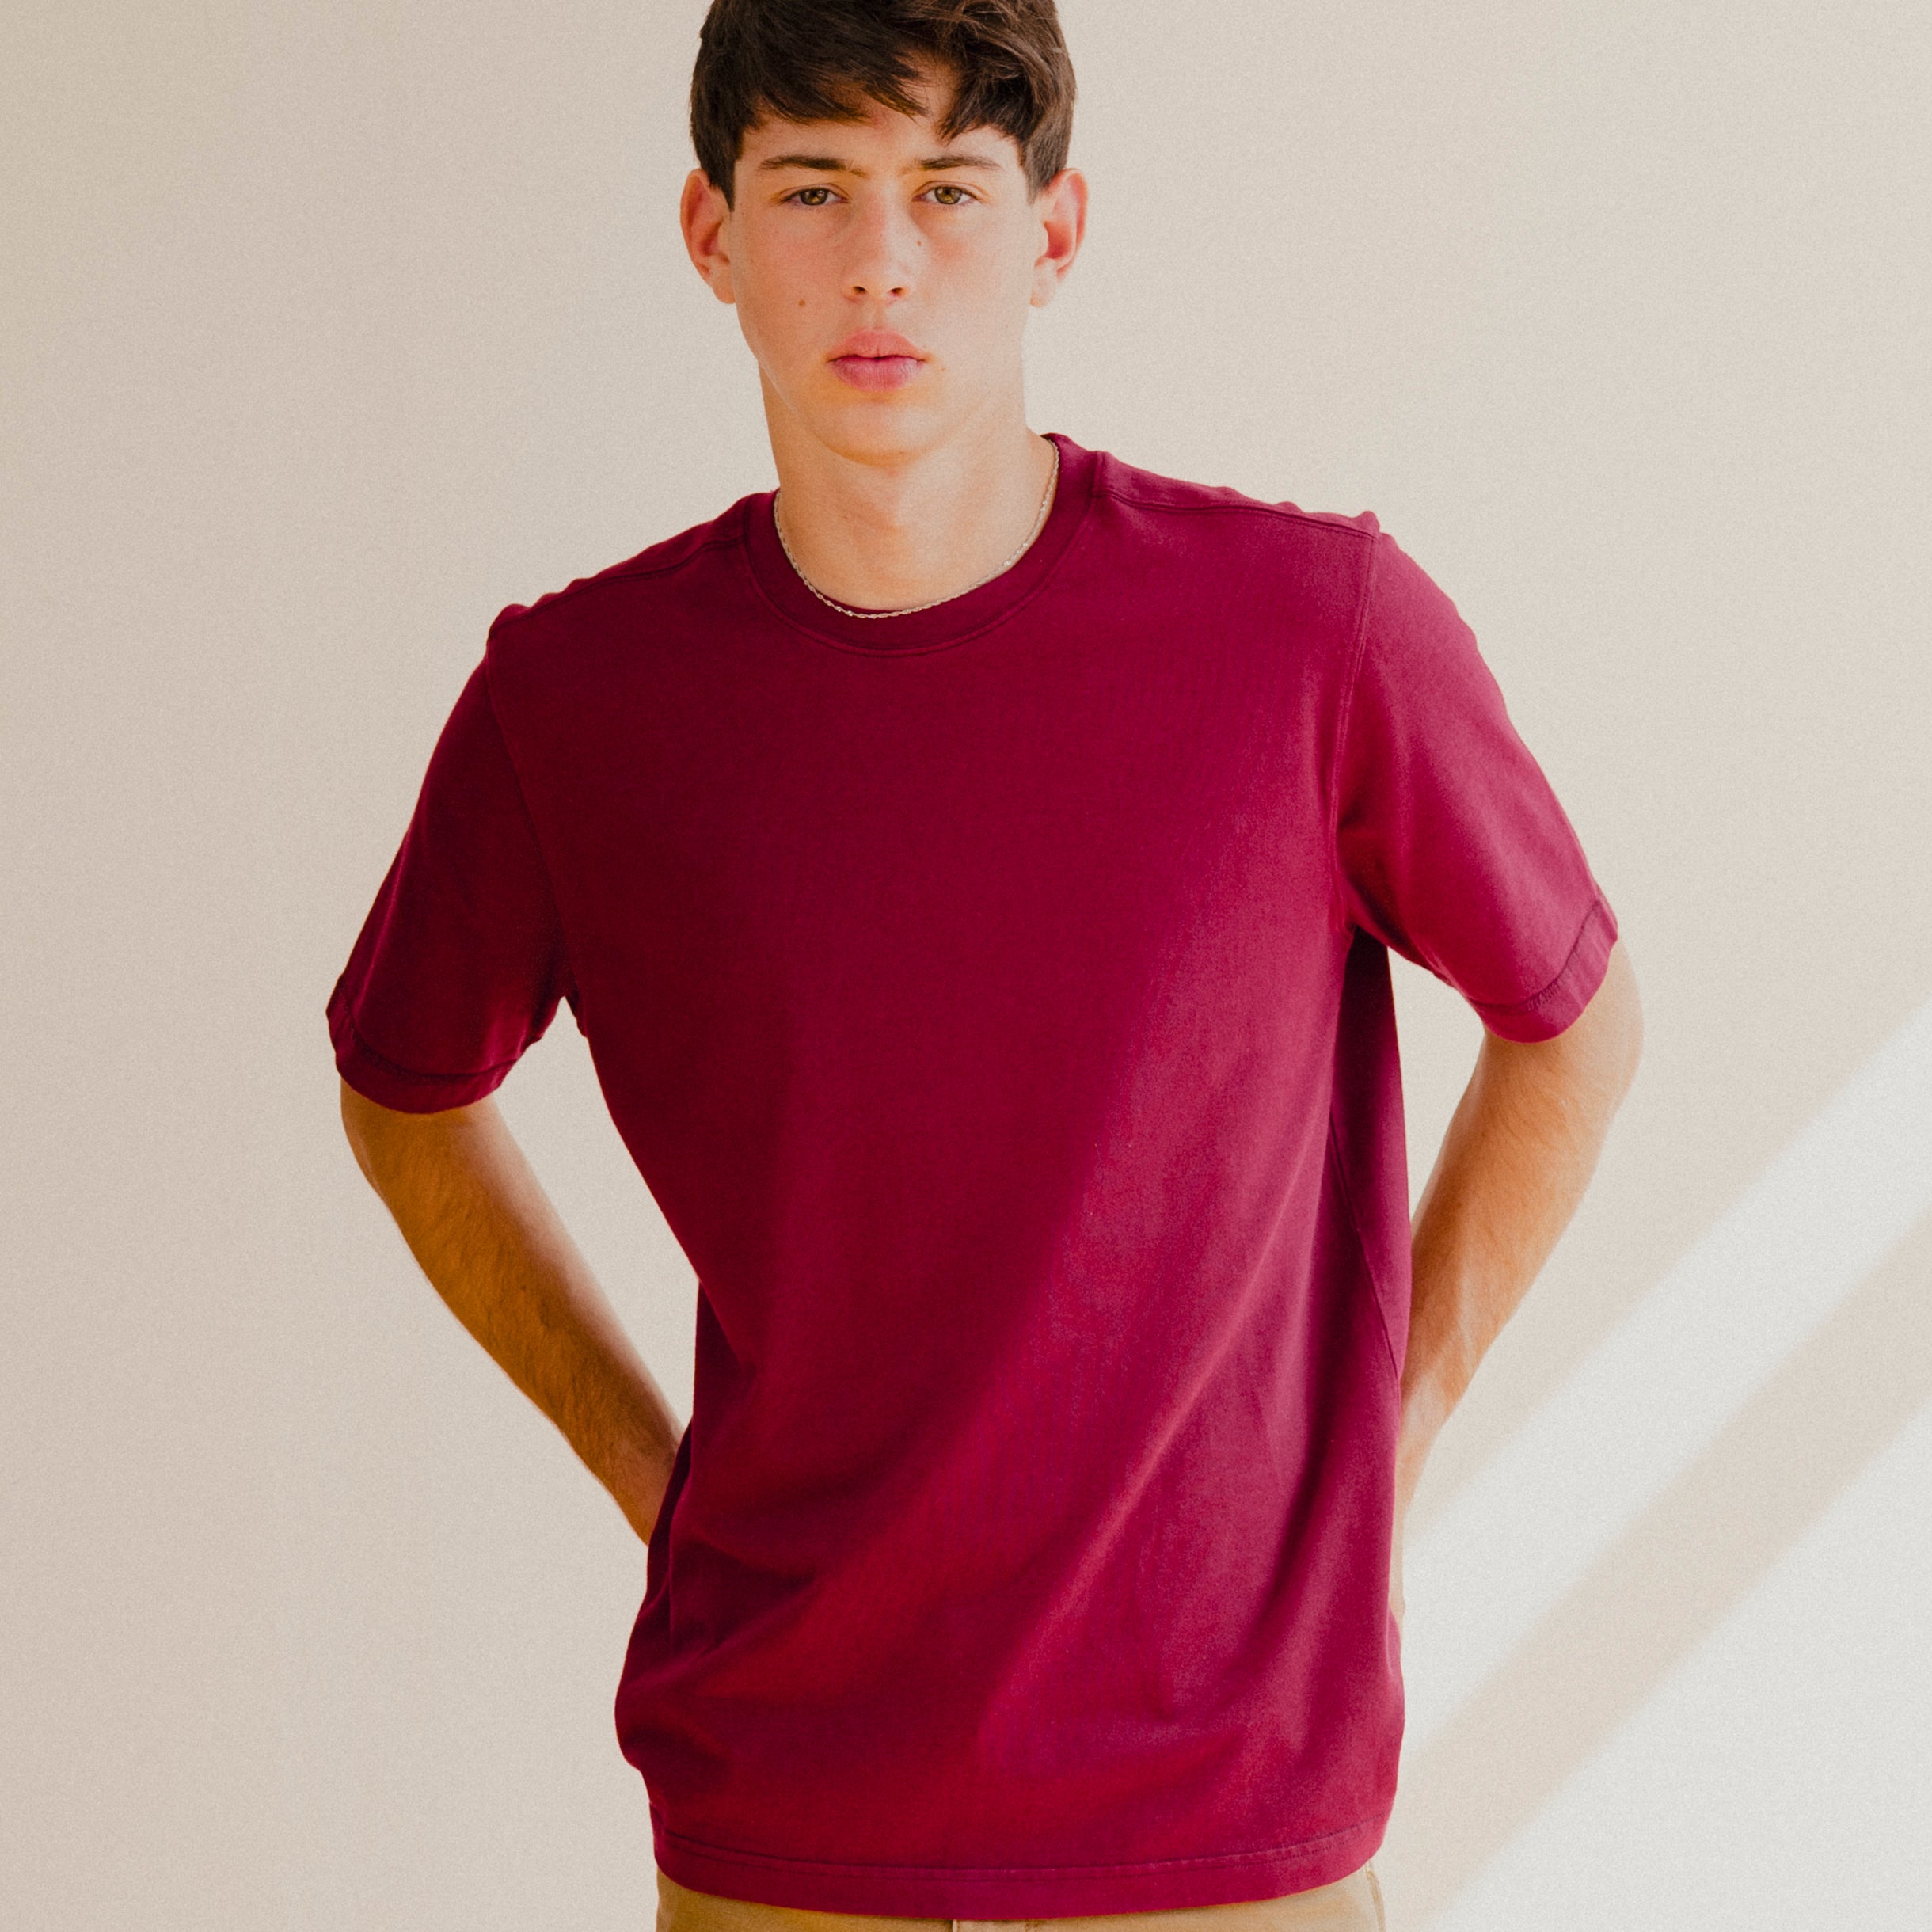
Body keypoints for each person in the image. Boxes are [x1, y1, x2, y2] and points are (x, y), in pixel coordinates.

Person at [327, 3, 1644, 1929]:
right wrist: (652, 1474)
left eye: (947, 188)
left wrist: (1396, 1412)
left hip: (1224, 1823)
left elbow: (1572, 1026)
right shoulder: (578, 704)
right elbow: (403, 1090)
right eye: (814, 189)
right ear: (710, 236)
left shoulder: (1312, 638)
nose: (880, 259)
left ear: (1053, 230)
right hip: (785, 1818)